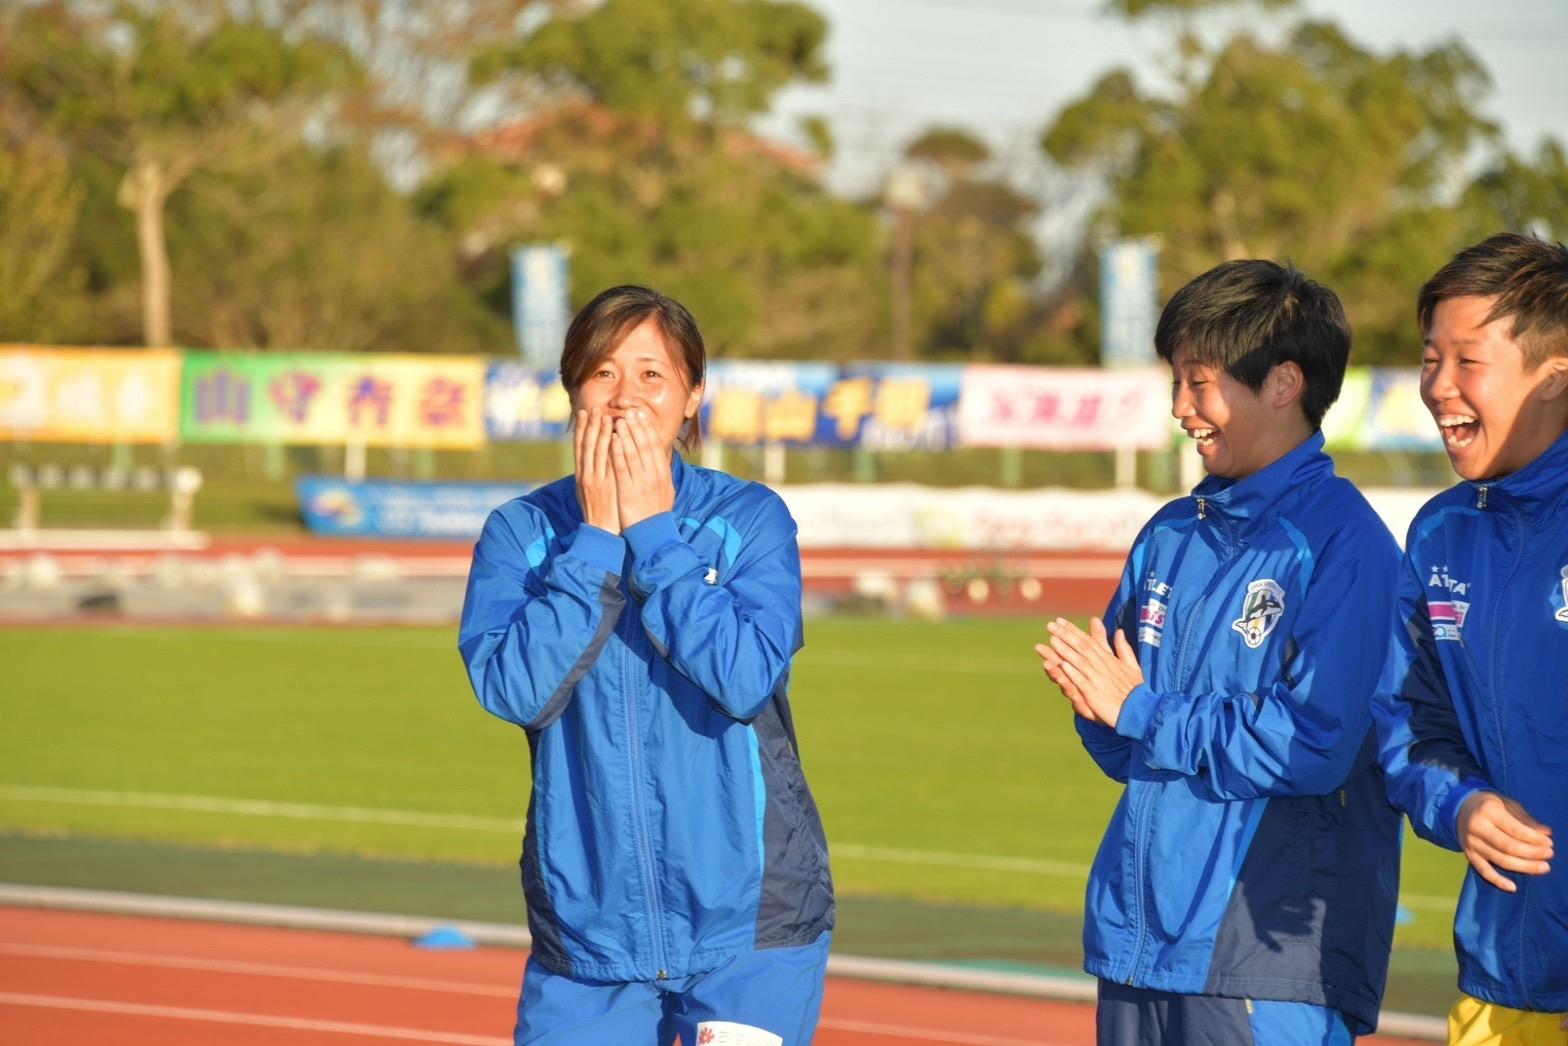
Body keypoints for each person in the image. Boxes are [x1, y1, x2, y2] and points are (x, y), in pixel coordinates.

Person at [1036, 259, 1404, 1044]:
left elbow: (1313, 744)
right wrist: (1101, 708)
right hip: (1139, 936)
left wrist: (1141, 712)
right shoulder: (1170, 534)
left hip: (1264, 950)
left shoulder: (1343, 544)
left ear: (1283, 383)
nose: (1180, 408)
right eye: (1176, 382)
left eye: (1199, 383)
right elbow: (1119, 739)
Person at [458, 285, 834, 1046]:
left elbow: (744, 677)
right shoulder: (521, 533)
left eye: (652, 374)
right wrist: (596, 540)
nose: (625, 397)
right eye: (602, 373)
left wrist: (657, 537)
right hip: (587, 933)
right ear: (572, 393)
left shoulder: (748, 520)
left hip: (750, 926)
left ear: (692, 397)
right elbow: (514, 690)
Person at [1373, 233, 1568, 1045]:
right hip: (1505, 976)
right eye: (1430, 360)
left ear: (1554, 377)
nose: (1438, 387)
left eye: (1467, 361)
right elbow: (1408, 722)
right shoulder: (1440, 534)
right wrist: (1461, 804)